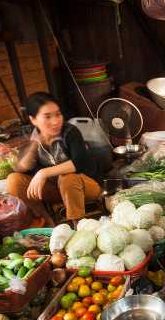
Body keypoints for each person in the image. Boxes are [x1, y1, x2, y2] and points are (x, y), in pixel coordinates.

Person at [7, 92, 105, 225]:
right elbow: (21, 168)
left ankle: (79, 226)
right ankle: (46, 221)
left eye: (58, 114)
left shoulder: (70, 132)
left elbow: (79, 163)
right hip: (55, 191)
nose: (55, 121)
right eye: (47, 117)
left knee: (67, 178)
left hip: (86, 187)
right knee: (14, 180)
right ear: (33, 120)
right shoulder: (34, 138)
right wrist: (34, 144)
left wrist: (44, 173)